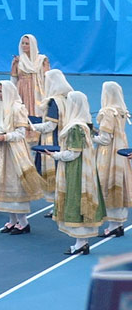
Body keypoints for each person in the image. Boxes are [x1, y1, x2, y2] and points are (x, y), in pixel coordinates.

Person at [0, 80, 45, 234]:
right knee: (3, 184)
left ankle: (23, 222)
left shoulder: (17, 108)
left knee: (15, 185)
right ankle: (12, 220)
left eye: (1, 91)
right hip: (0, 150)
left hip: (14, 152)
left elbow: (21, 133)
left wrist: (5, 137)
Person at [47, 91, 106, 255]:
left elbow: (73, 153)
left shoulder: (75, 128)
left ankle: (80, 243)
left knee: (76, 199)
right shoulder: (84, 125)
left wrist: (55, 155)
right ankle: (82, 242)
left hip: (75, 170)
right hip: (85, 169)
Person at [30, 69, 73, 212]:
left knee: (56, 172)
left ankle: (59, 205)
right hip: (65, 138)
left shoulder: (54, 102)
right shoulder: (68, 97)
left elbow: (50, 125)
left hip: (54, 141)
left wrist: (31, 126)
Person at [93, 82, 132, 239]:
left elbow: (105, 139)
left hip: (108, 153)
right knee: (119, 182)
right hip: (121, 148)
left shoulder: (108, 112)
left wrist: (89, 137)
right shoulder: (121, 111)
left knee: (107, 183)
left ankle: (113, 225)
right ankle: (118, 224)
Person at [10, 34, 49, 140]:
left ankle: (37, 135)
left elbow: (47, 78)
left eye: (27, 43)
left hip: (37, 91)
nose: (24, 46)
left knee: (36, 111)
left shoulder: (42, 60)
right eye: (22, 43)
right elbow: (13, 79)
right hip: (22, 91)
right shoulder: (18, 61)